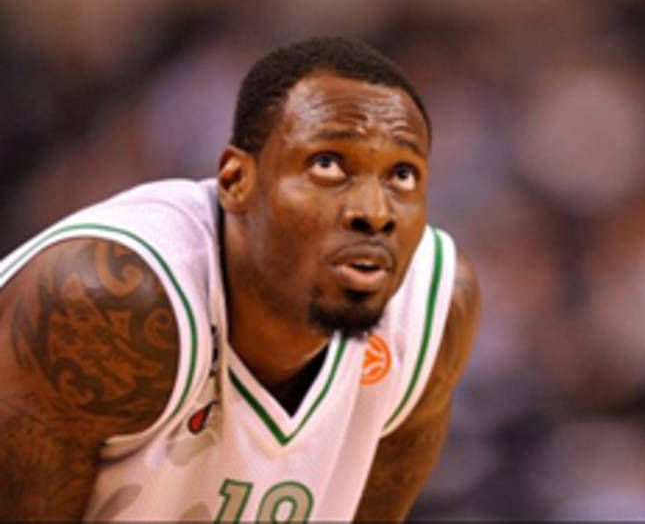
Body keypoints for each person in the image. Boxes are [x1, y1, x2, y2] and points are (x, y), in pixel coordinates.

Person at [0, 36, 480, 522]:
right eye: (328, 165)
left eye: (402, 175)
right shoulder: (111, 303)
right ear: (235, 181)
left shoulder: (428, 316)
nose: (374, 212)